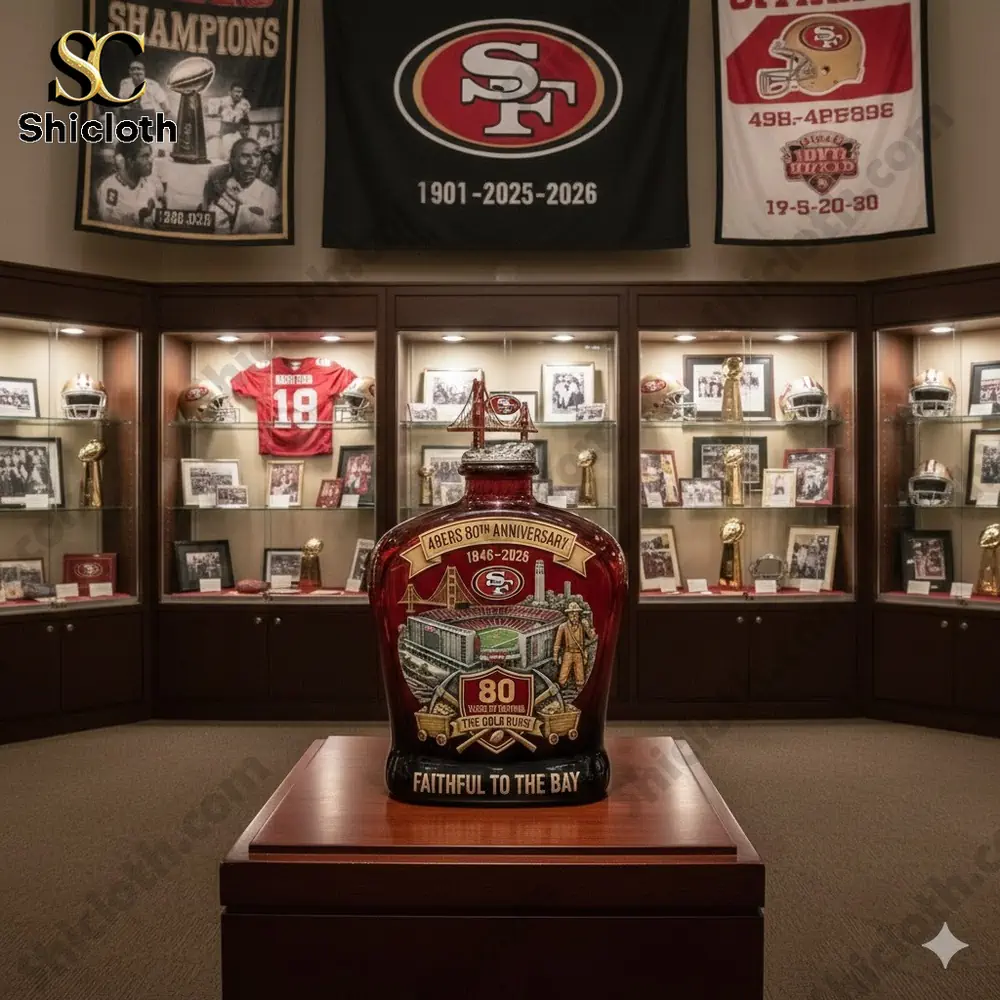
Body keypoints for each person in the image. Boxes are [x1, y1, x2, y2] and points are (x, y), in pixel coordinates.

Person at [205, 138, 280, 234]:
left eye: (256, 156)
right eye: (245, 156)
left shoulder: (269, 193)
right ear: (232, 159)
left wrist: (238, 213)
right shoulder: (220, 191)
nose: (252, 162)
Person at [96, 142, 165, 228]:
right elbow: (108, 223)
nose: (150, 160)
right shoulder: (109, 187)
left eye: (150, 156)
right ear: (130, 161)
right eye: (145, 156)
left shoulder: (150, 185)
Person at [553, 602, 597, 688]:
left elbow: (592, 637)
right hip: (568, 653)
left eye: (576, 613)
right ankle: (561, 690)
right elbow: (557, 643)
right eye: (571, 613)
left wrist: (588, 627)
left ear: (578, 614)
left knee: (580, 678)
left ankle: (579, 690)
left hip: (578, 653)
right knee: (562, 677)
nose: (574, 615)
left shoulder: (582, 625)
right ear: (568, 614)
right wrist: (555, 656)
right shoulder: (563, 627)